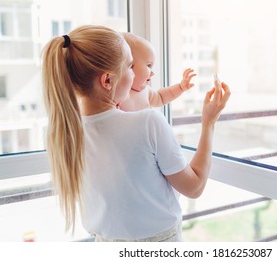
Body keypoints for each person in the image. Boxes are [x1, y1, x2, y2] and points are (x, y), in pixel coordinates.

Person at [41, 25, 230, 242]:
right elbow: (194, 187)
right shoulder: (148, 123)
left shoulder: (62, 133)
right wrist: (208, 123)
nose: (136, 76)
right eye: (131, 67)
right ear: (107, 80)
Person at [119, 32, 196, 112]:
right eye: (148, 65)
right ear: (129, 65)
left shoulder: (146, 92)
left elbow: (161, 97)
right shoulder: (117, 94)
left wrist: (180, 87)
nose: (152, 73)